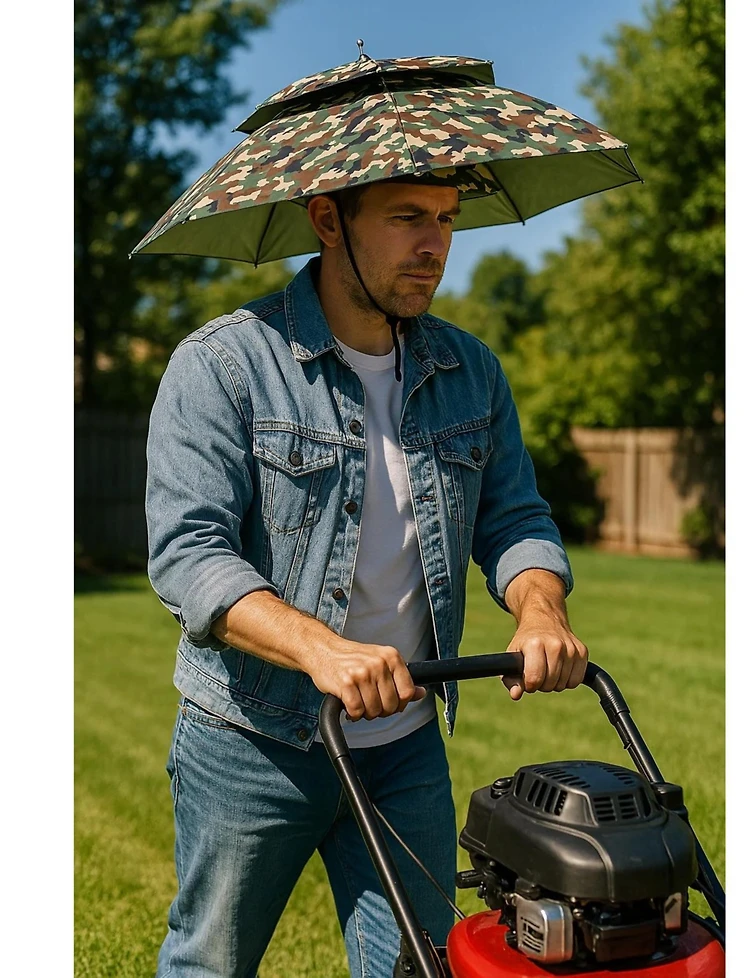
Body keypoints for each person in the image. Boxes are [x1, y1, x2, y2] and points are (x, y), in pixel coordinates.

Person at [146, 166, 588, 978]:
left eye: (447, 219)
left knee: (421, 965)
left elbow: (516, 519)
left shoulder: (471, 371)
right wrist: (323, 650)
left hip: (402, 745)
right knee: (211, 962)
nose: (435, 245)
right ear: (327, 220)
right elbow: (189, 554)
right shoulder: (225, 364)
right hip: (253, 740)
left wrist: (539, 610)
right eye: (407, 217)